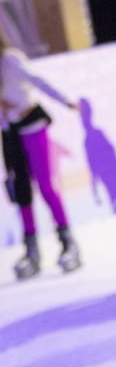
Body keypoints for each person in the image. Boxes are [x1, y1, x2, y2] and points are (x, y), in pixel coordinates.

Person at [1, 35, 80, 278]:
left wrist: (65, 100)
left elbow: (37, 80)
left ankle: (68, 242)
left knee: (45, 186)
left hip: (32, 127)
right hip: (9, 131)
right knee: (21, 189)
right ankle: (31, 249)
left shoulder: (10, 60)